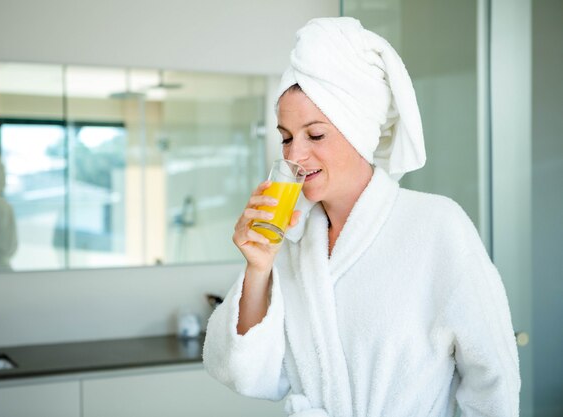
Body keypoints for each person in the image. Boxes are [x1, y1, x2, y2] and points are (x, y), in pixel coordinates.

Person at [203, 17, 520, 417]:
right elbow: (246, 375)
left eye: (315, 135)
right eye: (286, 137)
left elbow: (494, 380)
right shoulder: (291, 240)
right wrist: (258, 269)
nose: (293, 155)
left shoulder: (437, 226)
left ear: (359, 131)